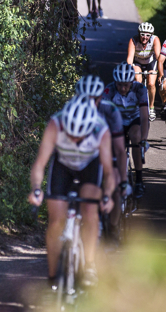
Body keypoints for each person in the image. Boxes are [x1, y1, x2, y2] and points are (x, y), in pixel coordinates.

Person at [28, 94, 115, 288]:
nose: (75, 139)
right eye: (71, 134)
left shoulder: (101, 130)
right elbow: (40, 164)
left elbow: (109, 172)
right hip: (63, 165)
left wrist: (107, 196)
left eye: (80, 135)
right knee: (56, 221)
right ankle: (52, 278)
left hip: (89, 165)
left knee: (90, 211)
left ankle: (90, 265)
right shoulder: (55, 124)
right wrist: (36, 190)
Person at [75, 74, 130, 236]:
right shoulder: (73, 109)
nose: (89, 103)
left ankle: (113, 228)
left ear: (100, 97)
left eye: (94, 99)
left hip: (109, 151)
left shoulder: (110, 111)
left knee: (115, 187)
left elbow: (120, 150)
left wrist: (123, 180)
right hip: (86, 154)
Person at [103, 62, 150, 198]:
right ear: (115, 82)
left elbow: (144, 117)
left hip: (134, 119)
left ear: (132, 82)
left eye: (126, 85)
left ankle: (139, 181)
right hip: (117, 121)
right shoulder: (109, 90)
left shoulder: (140, 89)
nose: (122, 88)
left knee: (135, 137)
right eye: (119, 85)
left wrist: (144, 140)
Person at [126, 22, 161, 119]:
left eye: (148, 35)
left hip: (151, 62)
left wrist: (161, 72)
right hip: (138, 62)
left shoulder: (155, 39)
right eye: (142, 34)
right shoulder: (133, 40)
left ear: (151, 35)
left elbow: (158, 57)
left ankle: (152, 107)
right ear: (139, 34)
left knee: (151, 84)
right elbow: (130, 59)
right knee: (137, 79)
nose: (145, 37)